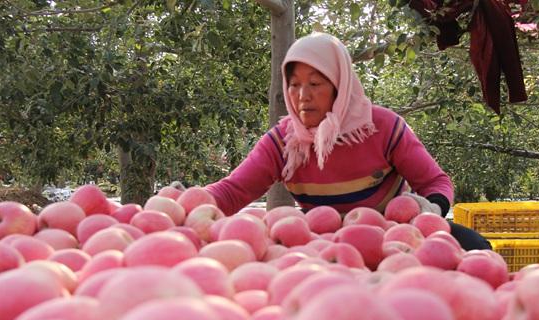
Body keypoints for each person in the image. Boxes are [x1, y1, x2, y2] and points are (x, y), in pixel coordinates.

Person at [204, 32, 490, 251]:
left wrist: (429, 210)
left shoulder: (382, 127)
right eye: (294, 84)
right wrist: (181, 206)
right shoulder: (283, 142)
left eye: (315, 84)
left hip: (393, 238)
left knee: (474, 247)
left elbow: (436, 182)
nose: (302, 95)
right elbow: (232, 192)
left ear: (340, 86)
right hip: (321, 244)